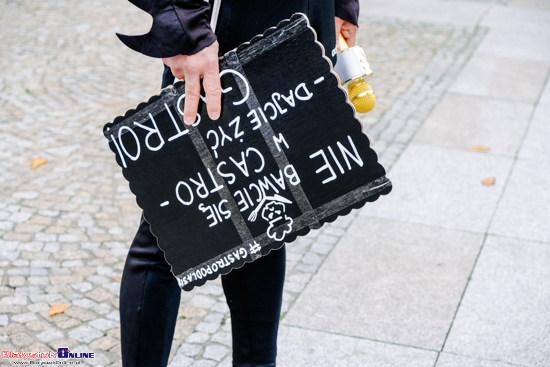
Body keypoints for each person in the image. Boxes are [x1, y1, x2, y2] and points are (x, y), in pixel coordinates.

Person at [116, 1, 359, 366]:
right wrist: (187, 31)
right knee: (169, 231)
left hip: (300, 18)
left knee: (268, 205)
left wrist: (342, 5)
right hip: (225, 26)